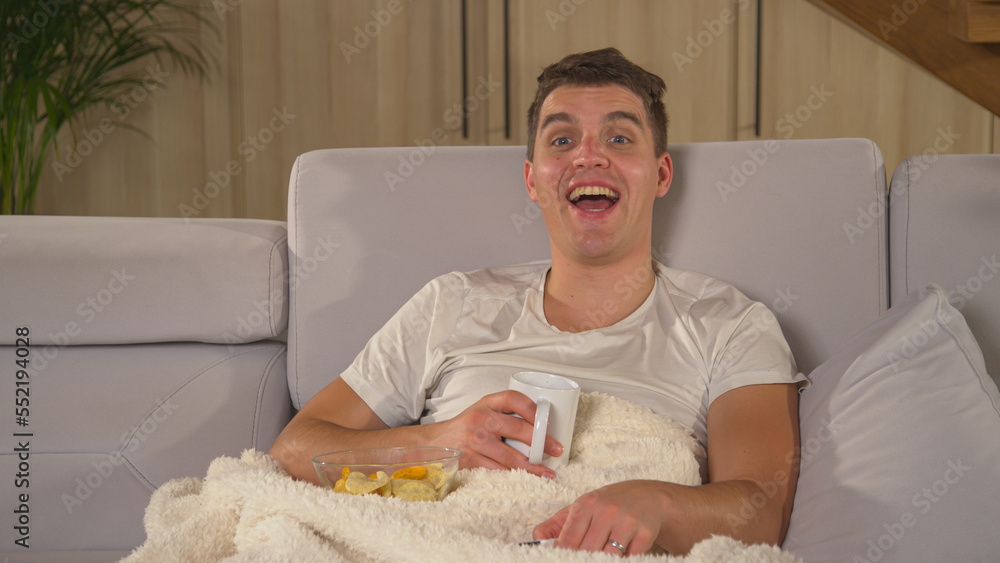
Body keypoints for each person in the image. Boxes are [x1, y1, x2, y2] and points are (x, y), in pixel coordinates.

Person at [269, 47, 806, 556]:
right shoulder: (453, 303)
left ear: (661, 174)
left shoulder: (730, 324)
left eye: (619, 139)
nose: (589, 156)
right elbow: (294, 449)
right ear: (532, 179)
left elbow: (761, 508)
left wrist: (657, 502)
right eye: (562, 140)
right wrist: (439, 441)